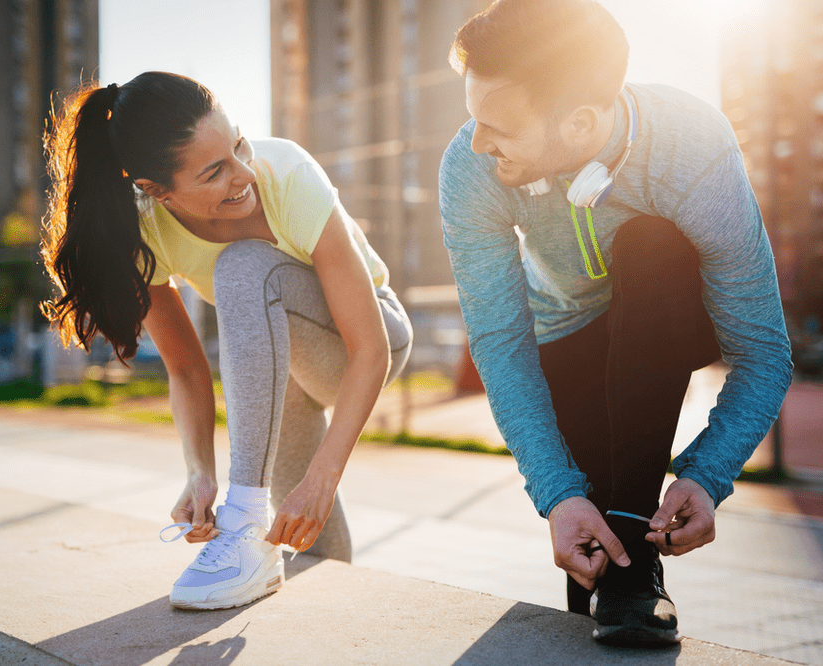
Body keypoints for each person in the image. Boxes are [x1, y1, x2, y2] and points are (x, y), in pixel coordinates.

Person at [438, 0, 792, 647]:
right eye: (473, 118)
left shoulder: (693, 147)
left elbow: (765, 353)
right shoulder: (470, 168)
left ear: (578, 124)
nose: (477, 142)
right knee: (594, 554)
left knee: (652, 243)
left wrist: (706, 474)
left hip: (668, 316)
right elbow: (501, 345)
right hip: (563, 337)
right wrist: (556, 493)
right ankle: (625, 587)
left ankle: (633, 565)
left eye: (497, 127)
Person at [41, 72, 412, 610]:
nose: (244, 174)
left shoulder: (286, 173)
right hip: (281, 371)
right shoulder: (145, 230)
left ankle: (243, 514)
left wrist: (323, 477)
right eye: (215, 171)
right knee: (308, 542)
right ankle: (325, 630)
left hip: (370, 341)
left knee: (244, 267)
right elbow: (187, 370)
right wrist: (199, 472)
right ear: (156, 191)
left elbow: (371, 349)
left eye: (238, 144)